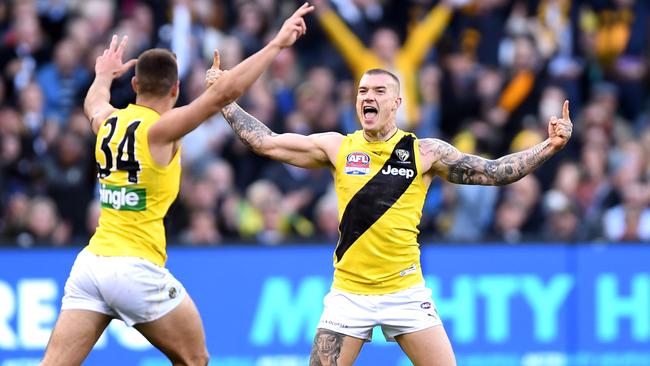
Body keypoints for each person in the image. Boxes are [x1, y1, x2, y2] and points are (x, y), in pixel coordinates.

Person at [207, 66, 573, 365]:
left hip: (405, 292)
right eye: (363, 91)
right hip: (349, 293)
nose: (368, 96)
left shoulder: (424, 152)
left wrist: (550, 146)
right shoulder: (338, 147)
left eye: (379, 91)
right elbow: (265, 141)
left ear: (397, 102)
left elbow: (493, 172)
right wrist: (223, 98)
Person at [41, 3, 314, 365]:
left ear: (135, 84)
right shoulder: (160, 130)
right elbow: (221, 95)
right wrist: (277, 44)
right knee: (195, 360)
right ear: (176, 89)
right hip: (134, 268)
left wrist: (104, 73)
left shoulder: (108, 122)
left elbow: (94, 102)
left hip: (91, 265)